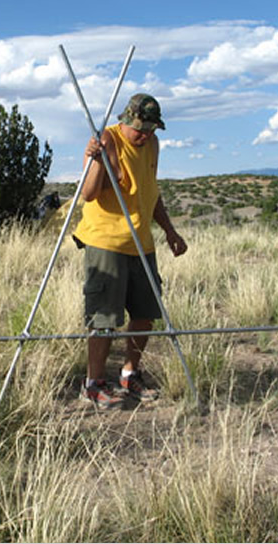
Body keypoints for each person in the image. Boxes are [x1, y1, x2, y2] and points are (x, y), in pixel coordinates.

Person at [72, 94, 187, 409]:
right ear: (126, 121)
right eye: (141, 129)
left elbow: (152, 190)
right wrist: (95, 159)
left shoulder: (151, 145)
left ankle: (129, 374)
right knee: (104, 317)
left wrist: (169, 230)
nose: (146, 135)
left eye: (152, 129)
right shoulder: (106, 139)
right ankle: (93, 384)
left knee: (145, 314)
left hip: (141, 242)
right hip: (106, 241)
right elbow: (90, 193)